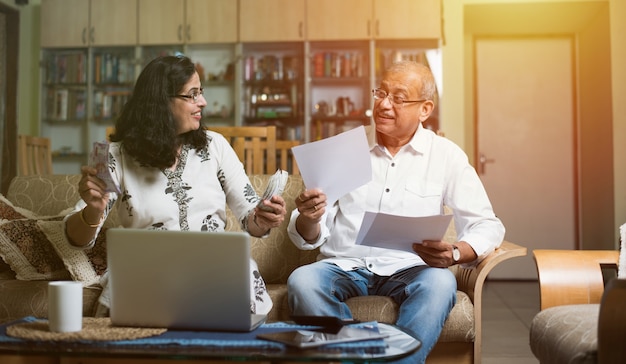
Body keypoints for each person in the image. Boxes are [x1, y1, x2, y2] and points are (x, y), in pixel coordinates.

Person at [286, 61, 505, 363]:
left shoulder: (445, 156)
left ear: (425, 109)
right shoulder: (345, 148)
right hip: (344, 264)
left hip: (411, 267)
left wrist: (455, 252)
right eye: (381, 93)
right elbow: (309, 234)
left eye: (399, 98)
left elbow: (487, 225)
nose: (384, 104)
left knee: (441, 283)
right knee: (303, 281)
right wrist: (310, 219)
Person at [64, 55, 286, 315]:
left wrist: (265, 217)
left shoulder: (216, 146)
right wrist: (92, 210)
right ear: (160, 102)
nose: (202, 102)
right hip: (147, 269)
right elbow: (76, 240)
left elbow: (252, 220)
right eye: (192, 95)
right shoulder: (116, 156)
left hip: (216, 265)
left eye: (200, 92)